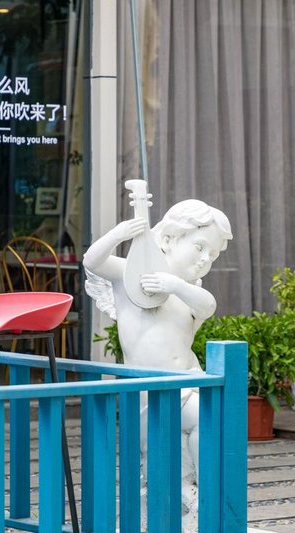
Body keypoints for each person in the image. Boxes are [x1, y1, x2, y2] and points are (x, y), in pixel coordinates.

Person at [83, 197, 232, 528]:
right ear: (167, 239)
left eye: (212, 255)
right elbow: (93, 261)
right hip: (151, 390)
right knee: (187, 432)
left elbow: (208, 305)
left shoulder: (189, 291)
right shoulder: (129, 275)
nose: (205, 259)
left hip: (187, 379)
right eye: (200, 247)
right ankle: (197, 496)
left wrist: (175, 285)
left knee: (207, 424)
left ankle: (201, 493)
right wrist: (119, 234)